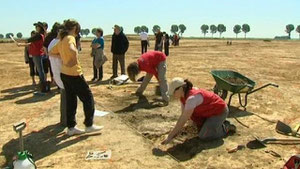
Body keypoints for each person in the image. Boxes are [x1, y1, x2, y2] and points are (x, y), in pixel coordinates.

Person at [50, 19, 103, 136]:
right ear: (74, 28)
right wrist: (72, 60)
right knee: (88, 98)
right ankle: (89, 125)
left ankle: (71, 127)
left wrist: (63, 59)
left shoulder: (61, 39)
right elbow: (72, 49)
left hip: (64, 74)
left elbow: (50, 52)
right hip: (74, 74)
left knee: (71, 101)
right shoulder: (70, 38)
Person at [161, 78, 236, 145]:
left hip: (219, 111)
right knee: (195, 126)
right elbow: (184, 115)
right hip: (207, 112)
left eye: (174, 92)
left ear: (180, 88)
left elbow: (183, 119)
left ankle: (225, 127)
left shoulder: (192, 98)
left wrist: (170, 136)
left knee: (204, 136)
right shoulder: (183, 96)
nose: (173, 95)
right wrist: (180, 129)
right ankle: (215, 124)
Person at [17, 21, 47, 92]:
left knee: (40, 70)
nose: (36, 28)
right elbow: (30, 42)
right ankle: (42, 84)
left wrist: (20, 40)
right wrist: (21, 44)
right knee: (40, 70)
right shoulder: (39, 35)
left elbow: (29, 40)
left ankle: (43, 85)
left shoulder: (39, 35)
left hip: (37, 54)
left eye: (37, 26)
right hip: (36, 54)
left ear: (40, 27)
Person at [47, 23, 67, 127]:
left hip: (58, 74)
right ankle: (65, 121)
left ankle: (64, 120)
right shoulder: (59, 43)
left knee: (64, 98)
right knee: (66, 99)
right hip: (62, 73)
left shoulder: (53, 42)